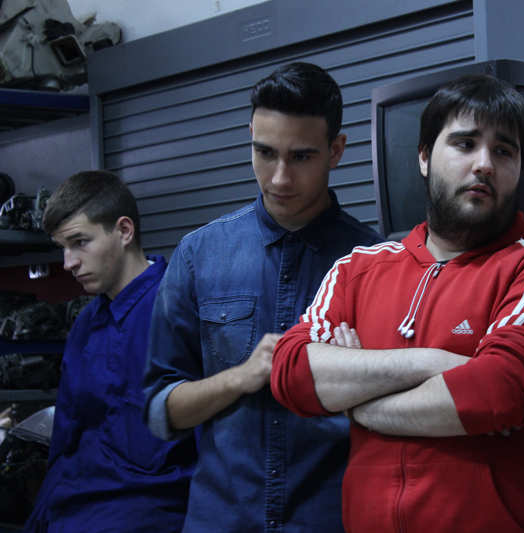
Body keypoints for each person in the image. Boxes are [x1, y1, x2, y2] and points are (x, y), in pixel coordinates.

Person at [271, 74, 524, 533]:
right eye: (465, 144)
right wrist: (433, 364)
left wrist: (357, 402)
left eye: (504, 152)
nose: (484, 164)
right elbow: (291, 373)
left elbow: (501, 390)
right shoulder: (358, 268)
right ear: (424, 157)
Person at [142, 62, 383, 533]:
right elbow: (160, 411)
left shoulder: (376, 264)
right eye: (265, 153)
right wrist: (240, 377)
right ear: (250, 136)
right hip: (221, 520)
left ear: (336, 151)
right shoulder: (198, 254)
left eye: (301, 157)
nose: (279, 178)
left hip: (330, 520)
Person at [24, 170, 195, 533]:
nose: (68, 262)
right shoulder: (85, 325)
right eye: (63, 248)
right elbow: (67, 436)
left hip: (148, 512)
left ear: (124, 231)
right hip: (70, 504)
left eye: (80, 242)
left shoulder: (179, 311)